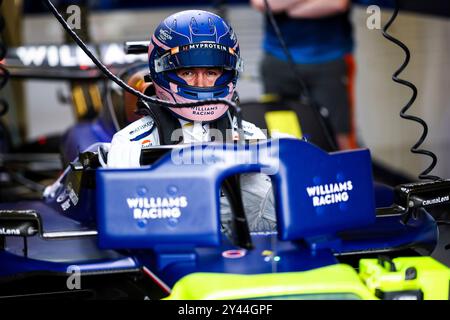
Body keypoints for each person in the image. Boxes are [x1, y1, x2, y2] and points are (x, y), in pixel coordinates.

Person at [102, 10, 277, 234]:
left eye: (212, 72)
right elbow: (125, 224)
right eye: (187, 72)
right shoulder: (131, 144)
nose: (202, 84)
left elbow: (271, 221)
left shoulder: (253, 138)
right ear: (162, 72)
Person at [250, 0, 357, 150]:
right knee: (280, 131)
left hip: (330, 59)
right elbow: (262, 3)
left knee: (340, 132)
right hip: (278, 58)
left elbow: (338, 4)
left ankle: (348, 174)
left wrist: (287, 8)